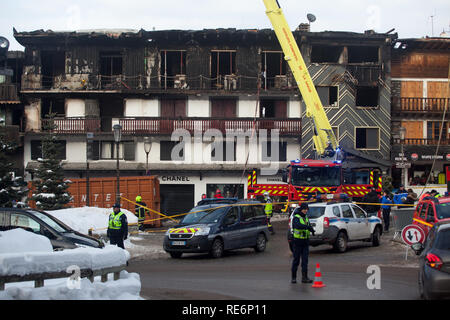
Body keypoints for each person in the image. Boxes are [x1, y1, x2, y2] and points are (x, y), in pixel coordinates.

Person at [291, 203, 315, 284]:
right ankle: (293, 278)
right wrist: (307, 227)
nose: (306, 210)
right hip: (297, 241)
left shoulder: (306, 217)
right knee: (296, 260)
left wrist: (311, 229)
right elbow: (297, 226)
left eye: (307, 209)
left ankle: (304, 278)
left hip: (305, 241)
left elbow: (307, 225)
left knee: (305, 261)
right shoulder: (296, 217)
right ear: (301, 209)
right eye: (304, 209)